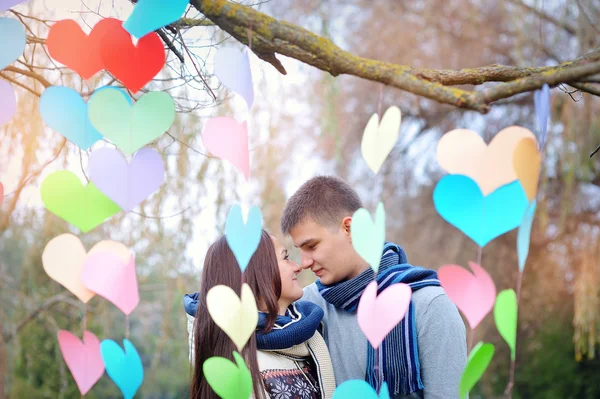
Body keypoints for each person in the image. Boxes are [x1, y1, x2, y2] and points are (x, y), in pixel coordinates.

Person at [280, 176, 467, 399]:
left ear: (348, 228)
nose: (305, 262)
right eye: (300, 249)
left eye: (311, 246)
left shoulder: (429, 306)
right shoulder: (307, 307)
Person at [185, 230, 336, 399]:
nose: (298, 266)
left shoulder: (308, 336)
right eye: (285, 258)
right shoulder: (235, 366)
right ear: (258, 274)